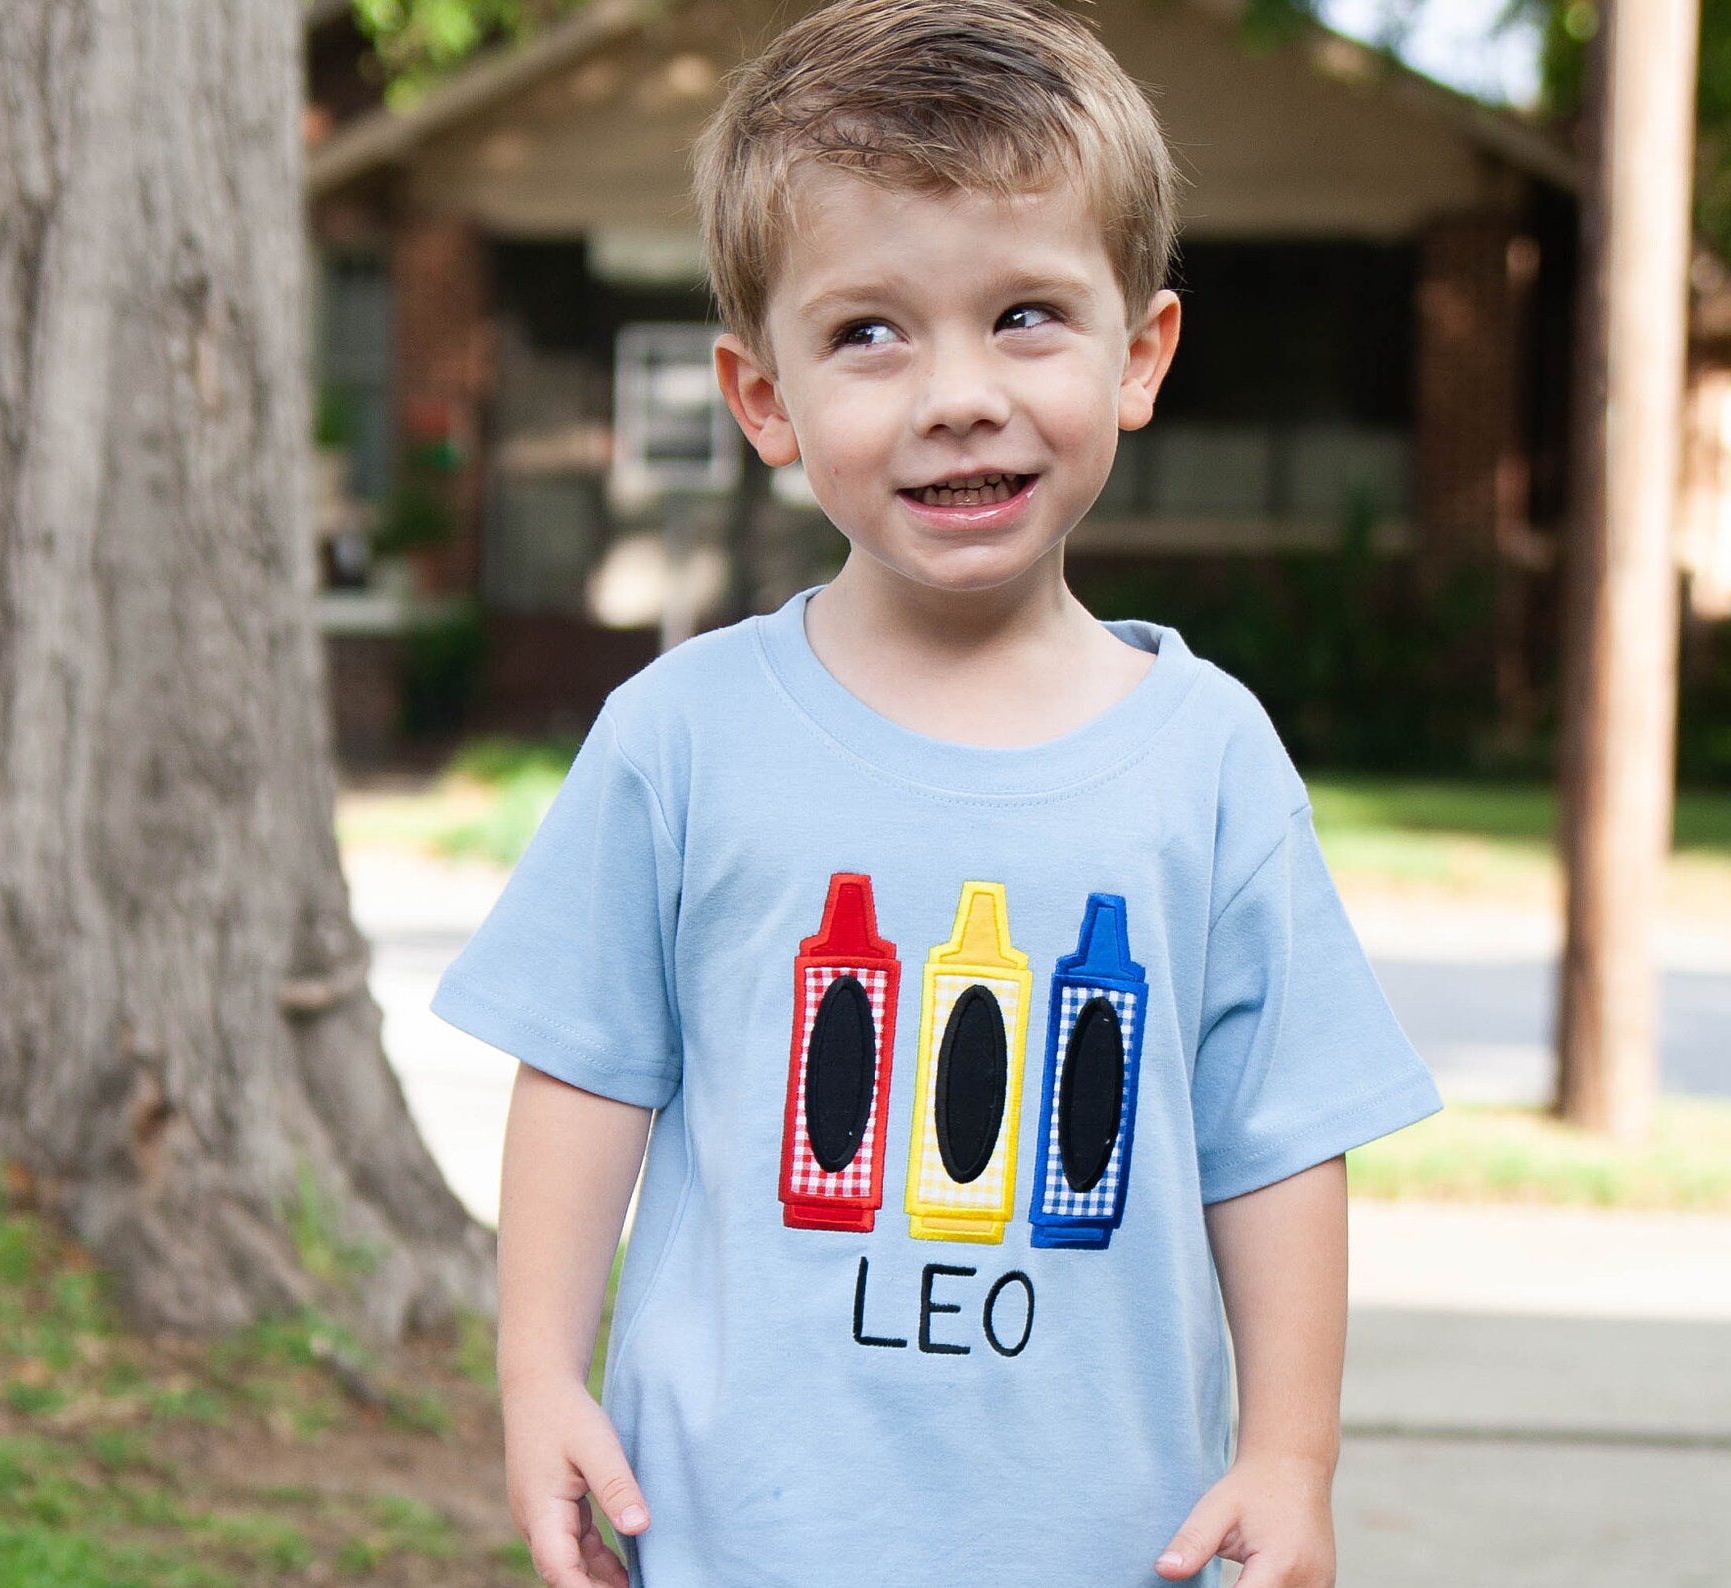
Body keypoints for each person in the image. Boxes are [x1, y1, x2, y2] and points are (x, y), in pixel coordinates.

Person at [430, 2, 1442, 1583]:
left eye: (1027, 314)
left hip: (1108, 1541)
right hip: (735, 1530)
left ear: (1142, 355)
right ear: (761, 398)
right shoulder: (683, 734)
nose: (957, 392)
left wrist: (1290, 1456)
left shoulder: (1210, 758)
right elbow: (583, 1070)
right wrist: (539, 1376)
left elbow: (1279, 1139)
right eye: (868, 333)